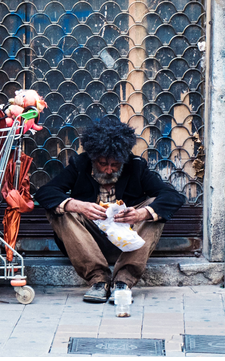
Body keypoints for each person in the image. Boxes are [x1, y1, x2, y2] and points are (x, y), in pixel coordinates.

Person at [34, 118, 185, 303]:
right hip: (87, 245)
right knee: (60, 208)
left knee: (154, 206)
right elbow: (45, 193)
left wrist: (140, 214)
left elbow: (173, 196)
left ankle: (123, 281)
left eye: (115, 165)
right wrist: (77, 205)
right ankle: (99, 281)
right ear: (92, 158)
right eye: (102, 163)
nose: (108, 170)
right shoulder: (80, 164)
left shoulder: (136, 166)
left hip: (126, 244)